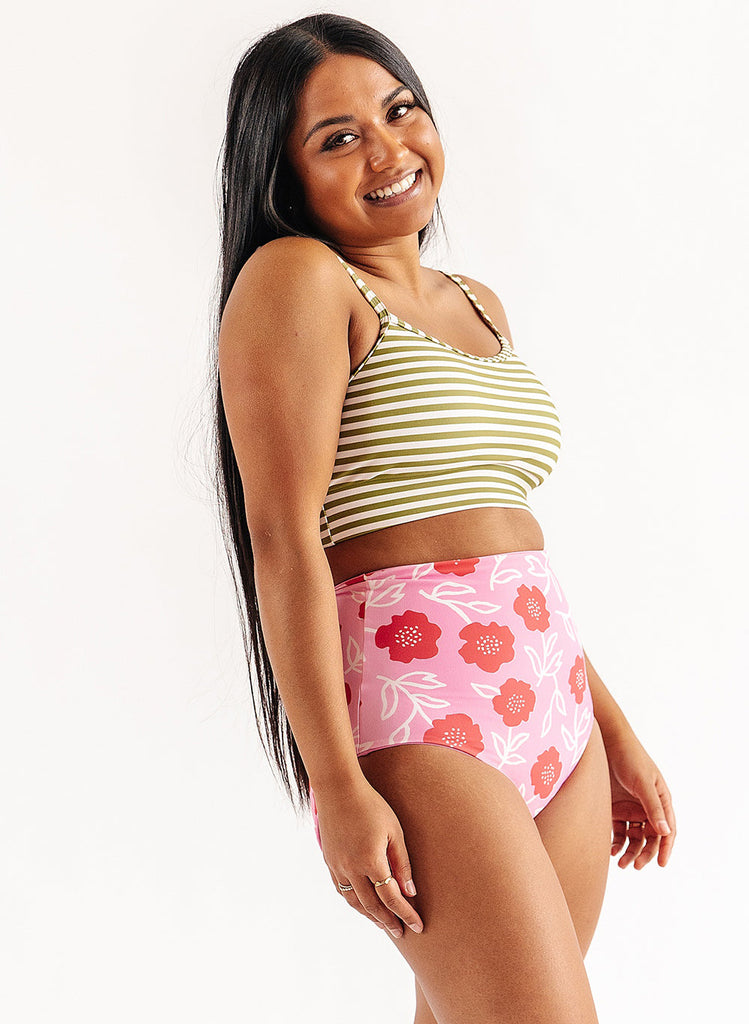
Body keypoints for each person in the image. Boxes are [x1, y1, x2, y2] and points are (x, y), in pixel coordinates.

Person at [212, 12, 677, 1024]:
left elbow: (499, 532)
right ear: (283, 175)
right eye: (338, 137)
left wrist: (610, 727)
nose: (387, 151)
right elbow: (284, 541)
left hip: (549, 692)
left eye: (399, 111)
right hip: (418, 705)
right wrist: (335, 786)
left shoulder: (477, 301)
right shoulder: (299, 278)